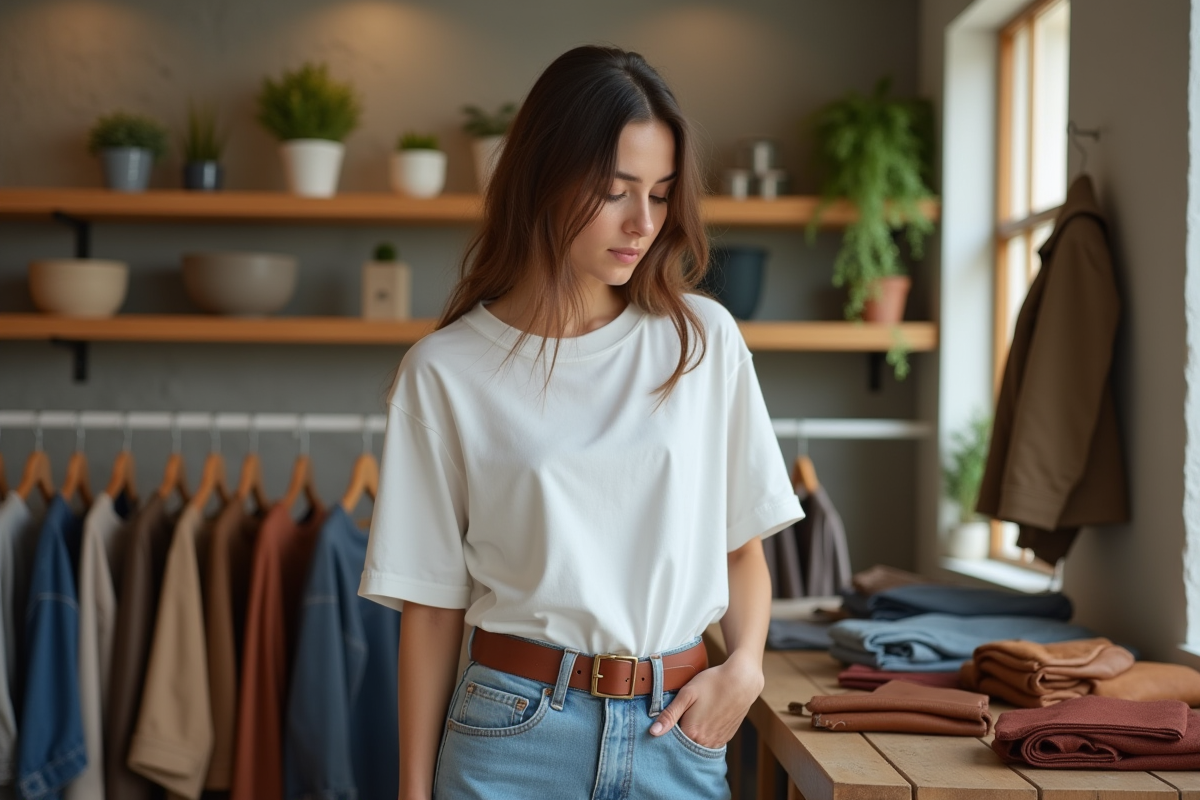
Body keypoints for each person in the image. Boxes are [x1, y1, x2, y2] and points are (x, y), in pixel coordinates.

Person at [359, 44, 802, 800]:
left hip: (678, 728)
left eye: (661, 195)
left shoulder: (703, 339)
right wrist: (412, 789)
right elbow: (432, 608)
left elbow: (743, 551)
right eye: (613, 190)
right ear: (542, 178)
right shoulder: (444, 372)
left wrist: (746, 668)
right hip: (511, 734)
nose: (642, 223)